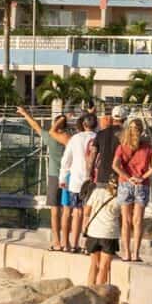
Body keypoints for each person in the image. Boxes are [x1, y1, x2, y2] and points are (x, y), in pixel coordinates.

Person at [17, 106, 70, 251]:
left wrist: (25, 113)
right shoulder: (69, 139)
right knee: (67, 210)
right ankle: (67, 242)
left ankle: (57, 241)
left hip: (54, 176)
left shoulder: (50, 137)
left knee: (54, 211)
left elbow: (35, 125)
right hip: (68, 176)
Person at [112, 118, 152, 262]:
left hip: (125, 184)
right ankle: (135, 254)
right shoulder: (148, 147)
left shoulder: (122, 147)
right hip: (142, 184)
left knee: (126, 221)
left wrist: (128, 177)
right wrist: (142, 177)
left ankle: (126, 253)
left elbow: (115, 166)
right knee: (138, 221)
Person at [58, 113, 97, 252]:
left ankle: (74, 244)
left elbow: (66, 159)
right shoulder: (97, 138)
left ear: (84, 124)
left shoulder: (75, 139)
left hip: (76, 180)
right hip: (93, 181)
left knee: (77, 212)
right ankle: (87, 245)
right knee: (89, 213)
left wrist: (62, 177)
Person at [83, 175, 122, 284]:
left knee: (94, 265)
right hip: (109, 234)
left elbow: (86, 212)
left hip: (93, 232)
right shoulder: (120, 198)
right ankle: (99, 295)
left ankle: (89, 292)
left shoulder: (97, 192)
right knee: (103, 267)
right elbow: (124, 219)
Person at [88, 104, 125, 191]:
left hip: (102, 176)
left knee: (102, 203)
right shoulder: (126, 135)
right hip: (121, 176)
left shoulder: (101, 133)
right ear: (125, 119)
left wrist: (90, 172)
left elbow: (93, 154)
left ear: (112, 117)